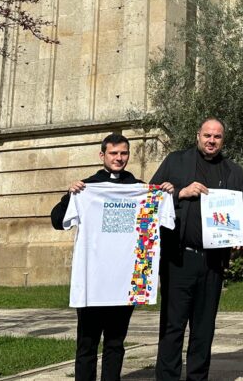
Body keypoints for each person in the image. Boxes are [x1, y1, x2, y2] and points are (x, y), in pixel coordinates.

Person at [50, 133, 172, 381]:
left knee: (116, 342)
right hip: (92, 282)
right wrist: (68, 194)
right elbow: (56, 221)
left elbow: (165, 221)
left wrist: (165, 193)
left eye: (124, 153)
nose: (119, 158)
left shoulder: (140, 189)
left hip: (124, 282)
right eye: (114, 153)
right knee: (87, 342)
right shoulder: (86, 188)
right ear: (102, 155)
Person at [153, 118, 243, 381]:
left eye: (217, 137)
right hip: (179, 258)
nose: (211, 140)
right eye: (207, 135)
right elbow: (151, 199)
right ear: (198, 136)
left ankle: (197, 378)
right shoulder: (175, 161)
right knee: (173, 326)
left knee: (204, 328)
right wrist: (180, 193)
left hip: (213, 261)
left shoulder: (233, 171)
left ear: (223, 140)